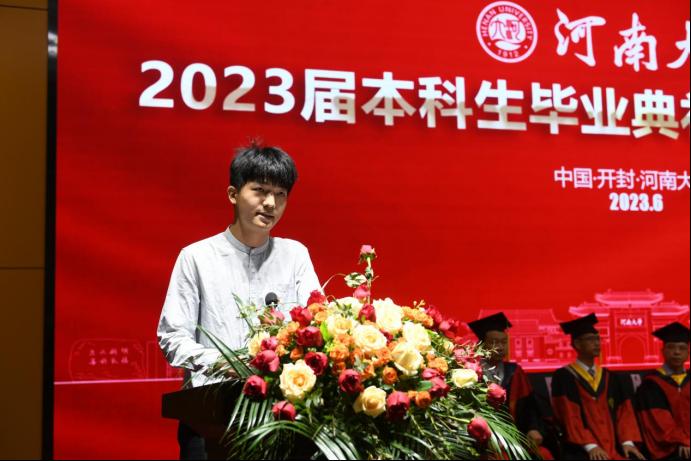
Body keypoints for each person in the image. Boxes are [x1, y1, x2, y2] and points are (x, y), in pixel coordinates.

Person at [157, 143, 322, 459]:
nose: (270, 203)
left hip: (281, 417)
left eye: (280, 194)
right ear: (233, 194)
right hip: (211, 416)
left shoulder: (295, 255)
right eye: (260, 191)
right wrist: (230, 364)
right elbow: (172, 338)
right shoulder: (197, 258)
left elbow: (316, 324)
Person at [550, 313, 644, 460]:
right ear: (577, 344)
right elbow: (569, 415)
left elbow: (624, 412)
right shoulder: (564, 377)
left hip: (614, 447)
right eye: (590, 339)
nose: (596, 343)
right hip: (581, 449)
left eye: (598, 339)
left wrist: (627, 442)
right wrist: (590, 446)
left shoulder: (611, 377)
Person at [468, 312, 553, 459]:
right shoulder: (470, 373)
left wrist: (533, 428)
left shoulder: (514, 372)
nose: (500, 347)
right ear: (481, 345)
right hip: (481, 442)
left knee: (545, 455)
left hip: (515, 438)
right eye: (494, 342)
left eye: (504, 342)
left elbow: (530, 407)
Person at [635, 322, 690, 460]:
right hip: (669, 449)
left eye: (682, 348)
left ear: (688, 353)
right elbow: (659, 423)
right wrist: (683, 440)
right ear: (662, 351)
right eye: (671, 347)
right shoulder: (651, 384)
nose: (677, 352)